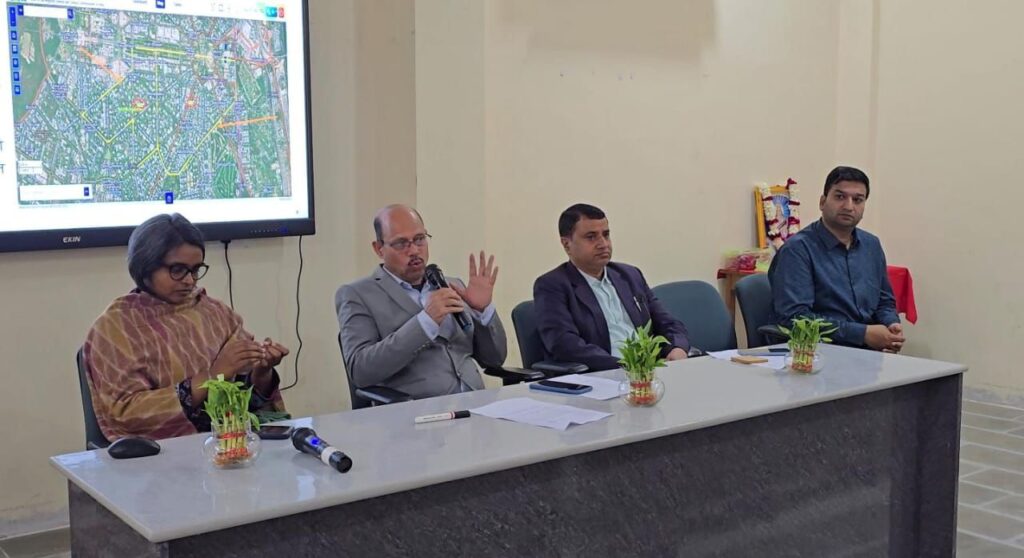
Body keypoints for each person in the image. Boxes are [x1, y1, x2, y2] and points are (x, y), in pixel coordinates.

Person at [83, 214, 288, 442]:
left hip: (230, 447)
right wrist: (212, 376)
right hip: (156, 455)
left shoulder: (216, 313)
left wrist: (262, 372)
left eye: (195, 270)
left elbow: (248, 404)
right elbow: (126, 414)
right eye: (177, 270)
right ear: (145, 266)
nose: (190, 280)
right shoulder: (117, 327)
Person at [335, 205, 507, 399]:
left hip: (476, 403)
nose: (414, 250)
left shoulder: (452, 286)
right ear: (379, 249)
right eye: (401, 243)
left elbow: (494, 360)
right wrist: (425, 322)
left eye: (419, 239)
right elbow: (360, 371)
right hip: (418, 411)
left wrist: (482, 311)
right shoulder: (357, 295)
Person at [533, 203, 691, 371]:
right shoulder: (552, 285)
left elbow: (668, 322)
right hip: (601, 375)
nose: (603, 244)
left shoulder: (630, 275)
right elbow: (564, 344)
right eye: (591, 237)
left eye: (606, 235)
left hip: (649, 373)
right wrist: (627, 366)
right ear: (567, 244)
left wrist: (678, 347)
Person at [768, 166, 904, 352]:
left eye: (858, 200)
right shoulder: (797, 250)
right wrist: (862, 334)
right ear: (822, 202)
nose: (849, 206)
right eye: (840, 197)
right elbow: (796, 318)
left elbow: (884, 300)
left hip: (869, 355)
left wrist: (891, 324)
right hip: (818, 353)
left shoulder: (871, 245)